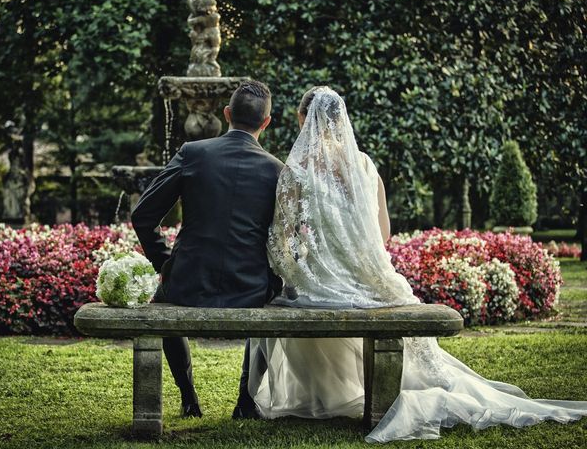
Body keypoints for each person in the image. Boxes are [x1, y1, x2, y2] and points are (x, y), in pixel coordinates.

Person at [248, 86, 587, 442]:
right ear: (341, 121)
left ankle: (328, 394)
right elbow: (382, 235)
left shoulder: (296, 170)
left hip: (321, 287)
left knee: (291, 298)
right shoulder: (363, 165)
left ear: (304, 120)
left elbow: (283, 240)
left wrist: (305, 270)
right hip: (370, 282)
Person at [131, 80, 284, 419]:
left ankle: (189, 399)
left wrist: (166, 262)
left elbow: (142, 215)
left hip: (187, 283)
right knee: (277, 304)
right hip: (250, 289)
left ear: (226, 113)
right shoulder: (277, 170)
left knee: (162, 303)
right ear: (266, 122)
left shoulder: (193, 153)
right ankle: (245, 401)